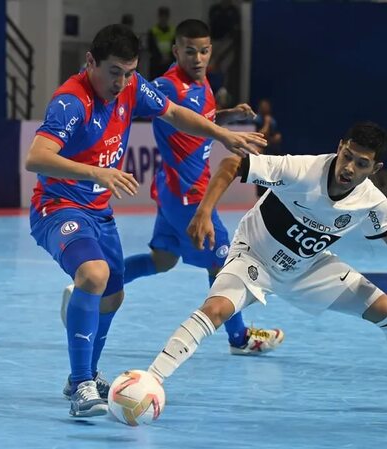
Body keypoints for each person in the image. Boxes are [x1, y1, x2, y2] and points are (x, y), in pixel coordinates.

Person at [146, 122, 387, 417]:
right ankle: (150, 380)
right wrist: (205, 211)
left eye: (361, 163)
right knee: (216, 308)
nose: (349, 167)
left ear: (375, 167)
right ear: (340, 147)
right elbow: (232, 163)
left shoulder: (371, 200)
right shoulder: (301, 170)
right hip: (255, 256)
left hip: (307, 268)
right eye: (348, 155)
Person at [25, 24, 266, 418]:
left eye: (129, 71)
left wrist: (223, 132)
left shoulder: (134, 86)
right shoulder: (72, 101)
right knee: (94, 274)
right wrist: (96, 173)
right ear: (90, 62)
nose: (121, 81)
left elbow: (173, 112)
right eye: (114, 71)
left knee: (114, 294)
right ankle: (82, 384)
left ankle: (82, 376)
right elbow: (36, 157)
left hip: (98, 212)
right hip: (58, 206)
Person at [116, 19, 284, 355]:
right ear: (175, 50)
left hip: (174, 189)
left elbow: (197, 116)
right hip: (186, 193)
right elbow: (136, 102)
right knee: (223, 262)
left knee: (162, 260)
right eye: (189, 51)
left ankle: (96, 285)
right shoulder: (165, 87)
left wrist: (225, 113)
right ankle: (240, 338)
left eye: (204, 51)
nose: (197, 58)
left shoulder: (202, 83)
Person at [253, 99, 283, 196]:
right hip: (260, 153)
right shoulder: (256, 120)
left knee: (273, 176)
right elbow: (260, 135)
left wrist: (274, 139)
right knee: (260, 176)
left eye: (267, 106)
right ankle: (260, 197)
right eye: (263, 106)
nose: (265, 108)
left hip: (271, 152)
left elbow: (277, 137)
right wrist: (266, 123)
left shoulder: (272, 120)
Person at [147, 6, 175, 80]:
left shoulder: (173, 31)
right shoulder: (153, 31)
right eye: (162, 16)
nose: (163, 19)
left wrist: (169, 57)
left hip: (169, 63)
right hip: (156, 64)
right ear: (159, 17)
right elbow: (151, 48)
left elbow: (175, 46)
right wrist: (160, 58)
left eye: (165, 16)